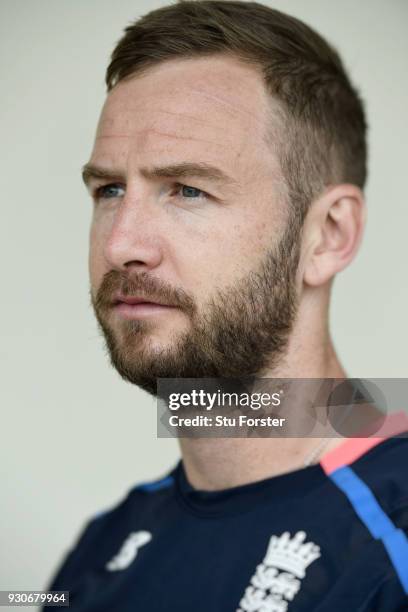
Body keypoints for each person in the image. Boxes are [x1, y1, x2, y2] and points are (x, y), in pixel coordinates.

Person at [44, 1, 408, 610]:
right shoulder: (99, 550)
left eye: (187, 189)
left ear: (328, 236)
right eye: (109, 189)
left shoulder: (391, 542)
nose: (121, 244)